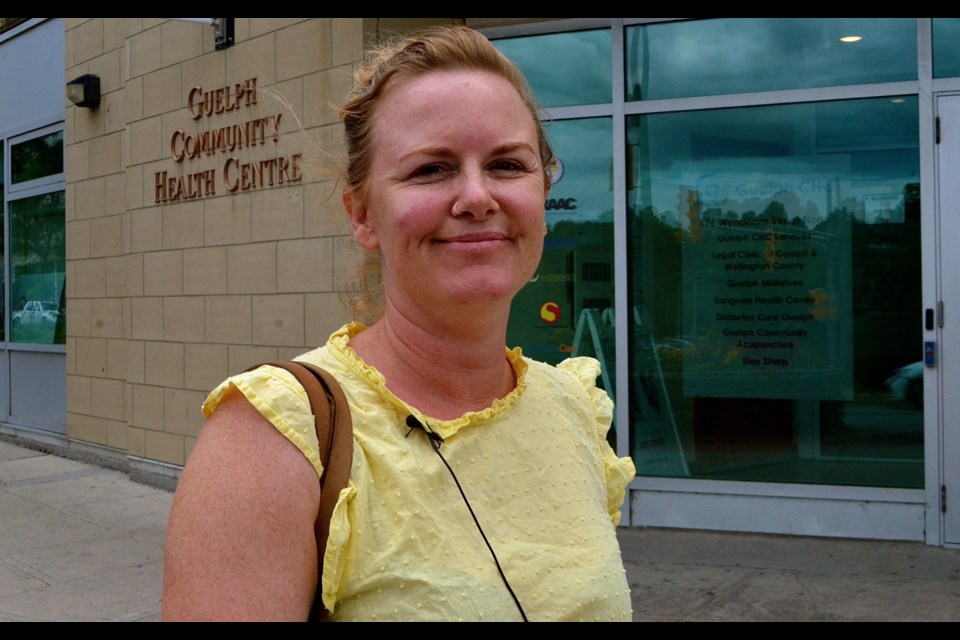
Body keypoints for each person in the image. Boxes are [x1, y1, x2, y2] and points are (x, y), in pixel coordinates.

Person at [161, 25, 635, 622]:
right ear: (362, 214)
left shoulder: (572, 409)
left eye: (507, 164)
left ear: (542, 191)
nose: (475, 196)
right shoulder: (273, 440)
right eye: (431, 170)